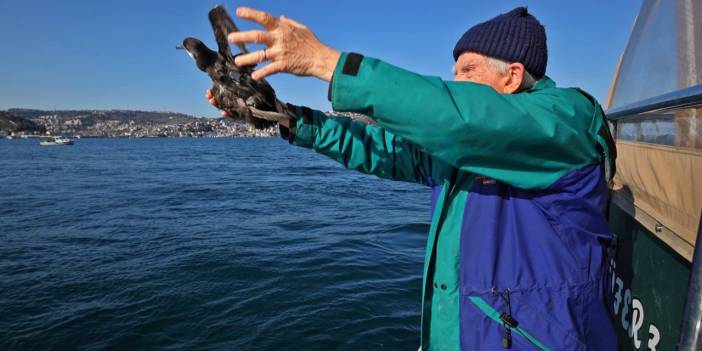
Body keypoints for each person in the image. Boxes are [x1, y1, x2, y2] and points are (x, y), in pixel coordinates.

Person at [208, 6, 617, 350]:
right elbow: (384, 147)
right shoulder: (468, 150)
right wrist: (287, 117)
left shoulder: (567, 119)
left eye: (467, 71)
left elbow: (456, 116)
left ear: (511, 77)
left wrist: (324, 62)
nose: (454, 83)